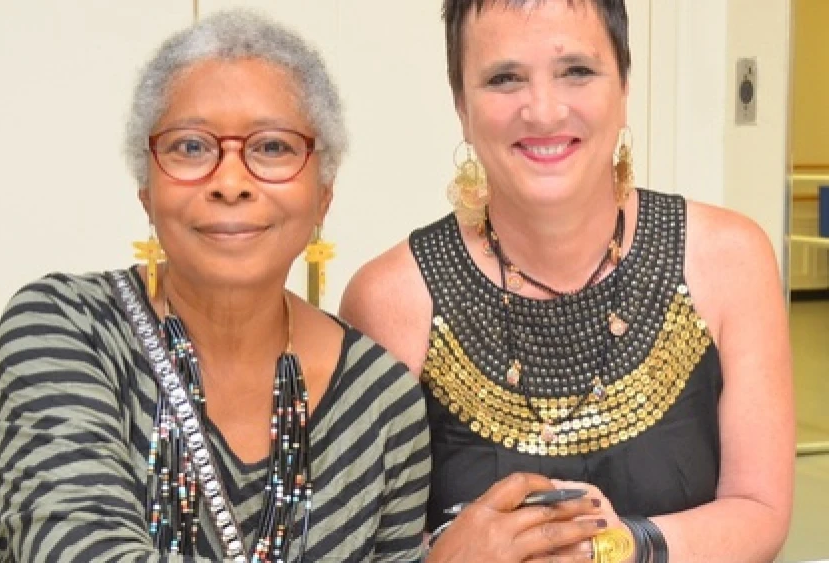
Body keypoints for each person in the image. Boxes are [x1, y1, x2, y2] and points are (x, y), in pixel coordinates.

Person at [341, 1, 795, 562]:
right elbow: (362, 543)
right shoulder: (391, 298)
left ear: (624, 87)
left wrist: (620, 546)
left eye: (576, 71)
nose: (544, 111)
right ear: (461, 105)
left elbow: (759, 509)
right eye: (504, 79)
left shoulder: (728, 259)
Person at [0, 10, 439, 562]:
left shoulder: (383, 403)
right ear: (145, 189)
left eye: (273, 147)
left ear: (324, 193)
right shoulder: (62, 327)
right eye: (191, 147)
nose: (229, 182)